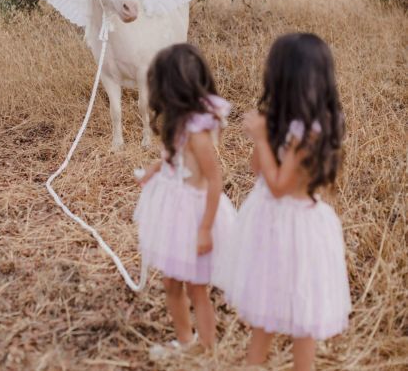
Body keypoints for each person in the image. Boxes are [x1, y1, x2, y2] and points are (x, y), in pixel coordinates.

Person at [223, 33, 351, 370]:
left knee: (301, 315)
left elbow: (280, 186)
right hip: (269, 221)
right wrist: (263, 137)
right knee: (264, 305)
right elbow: (258, 170)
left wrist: (262, 139)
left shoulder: (310, 134)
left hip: (296, 227)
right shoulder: (288, 126)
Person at [134, 43, 235, 355]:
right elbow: (172, 156)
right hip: (173, 212)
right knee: (171, 282)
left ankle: (206, 347)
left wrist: (204, 229)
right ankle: (185, 341)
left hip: (193, 216)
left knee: (196, 287)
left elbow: (214, 179)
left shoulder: (197, 133)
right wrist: (154, 169)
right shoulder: (177, 123)